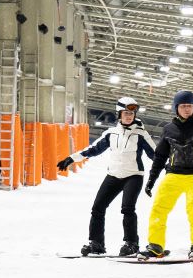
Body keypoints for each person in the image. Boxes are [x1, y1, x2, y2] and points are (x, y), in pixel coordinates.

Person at [59, 96, 156, 256]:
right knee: (98, 208)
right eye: (125, 113)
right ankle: (96, 244)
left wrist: (170, 165)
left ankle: (131, 243)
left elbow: (155, 154)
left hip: (134, 175)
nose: (129, 116)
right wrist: (72, 158)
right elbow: (94, 149)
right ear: (119, 114)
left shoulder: (141, 134)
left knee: (127, 209)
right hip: (114, 175)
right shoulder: (111, 134)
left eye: (131, 114)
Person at [141, 90, 193, 259]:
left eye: (190, 106)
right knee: (158, 208)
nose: (187, 109)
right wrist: (151, 179)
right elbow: (160, 156)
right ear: (176, 108)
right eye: (183, 106)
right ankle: (156, 246)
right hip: (173, 175)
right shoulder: (168, 129)